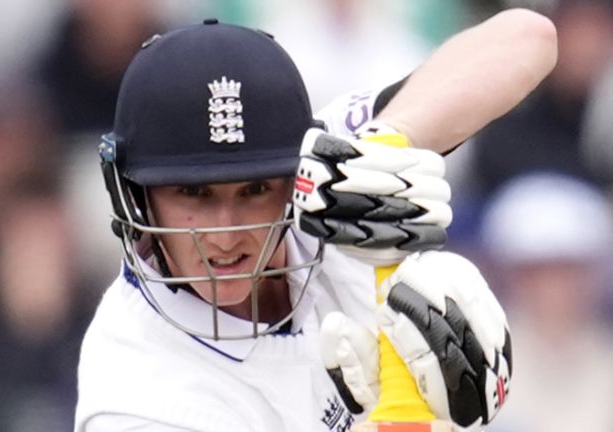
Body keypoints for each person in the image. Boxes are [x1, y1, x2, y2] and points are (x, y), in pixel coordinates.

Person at [74, 9, 557, 432]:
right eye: (193, 193)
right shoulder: (133, 386)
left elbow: (529, 39)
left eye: (255, 189)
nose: (224, 233)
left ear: (294, 176)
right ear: (136, 192)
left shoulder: (320, 180)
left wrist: (384, 143)